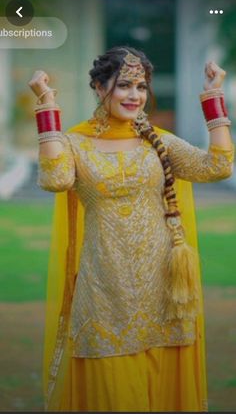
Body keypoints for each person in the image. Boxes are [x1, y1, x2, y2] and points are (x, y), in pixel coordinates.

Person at [29, 46, 234, 412]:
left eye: (141, 87)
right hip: (104, 291)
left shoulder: (159, 141)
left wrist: (214, 96)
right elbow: (55, 179)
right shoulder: (75, 144)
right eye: (124, 85)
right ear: (98, 86)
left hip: (164, 289)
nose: (135, 96)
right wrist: (46, 107)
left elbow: (216, 167)